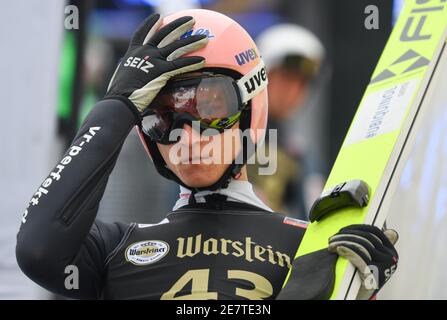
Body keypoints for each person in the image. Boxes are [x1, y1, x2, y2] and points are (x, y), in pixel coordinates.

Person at [16, 9, 398, 300]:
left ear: (250, 108)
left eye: (210, 107)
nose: (189, 138)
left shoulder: (316, 250)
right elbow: (37, 250)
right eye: (162, 118)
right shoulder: (114, 250)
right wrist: (114, 109)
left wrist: (365, 293)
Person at [248, 24, 325, 217]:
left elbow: (310, 218)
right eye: (287, 79)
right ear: (261, 75)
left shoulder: (300, 154)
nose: (293, 92)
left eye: (302, 84)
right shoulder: (220, 137)